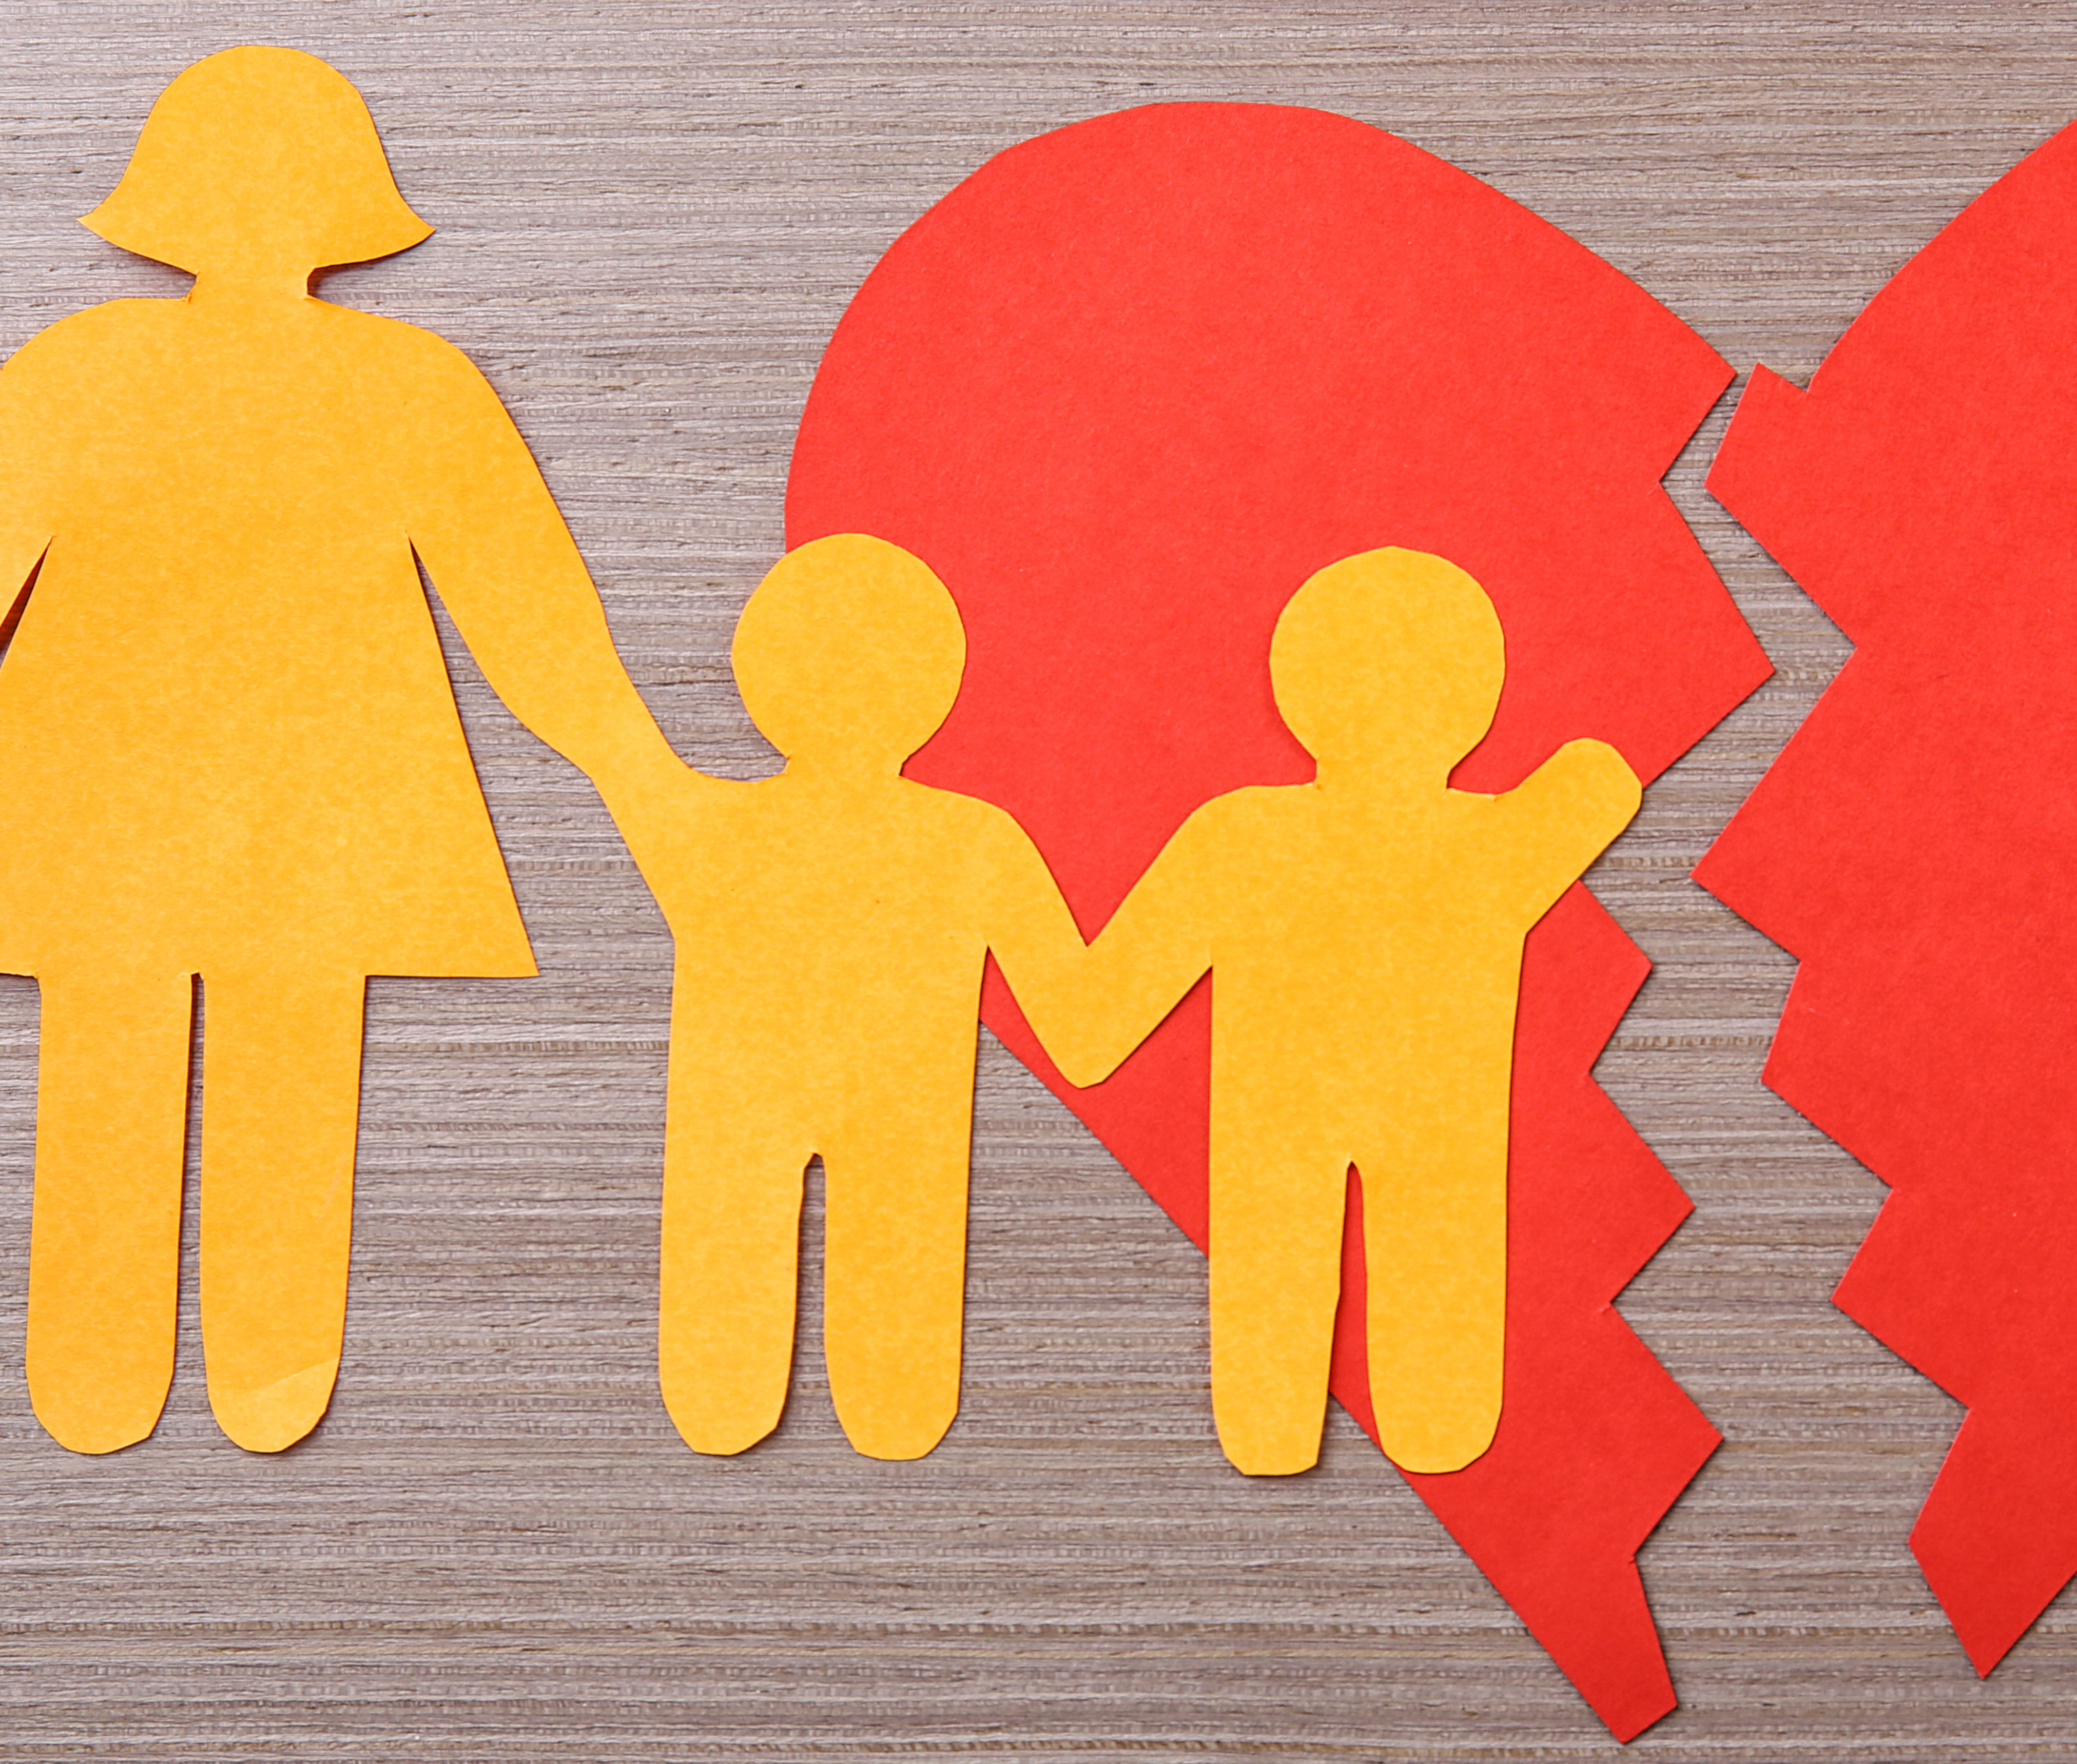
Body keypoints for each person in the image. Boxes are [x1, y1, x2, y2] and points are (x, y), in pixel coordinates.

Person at [0, 47, 669, 1455]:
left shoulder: (85, 366)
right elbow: (532, 621)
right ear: (350, 213)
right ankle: (261, 1368)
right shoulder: (413, 383)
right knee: (289, 1063)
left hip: (103, 810)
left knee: (113, 1051)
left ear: (161, 205)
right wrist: (634, 763)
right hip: (327, 821)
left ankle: (103, 1373)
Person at [1044, 547, 1640, 1476]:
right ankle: (1423, 1428)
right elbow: (1599, 781)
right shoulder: (1490, 847)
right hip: (1438, 1126)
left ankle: (1272, 1430)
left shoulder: (1240, 835)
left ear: (1299, 691)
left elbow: (1094, 1022)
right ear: (1472, 706)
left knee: (1273, 1293)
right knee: (1436, 1316)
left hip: (1276, 1125)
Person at [594, 535, 1099, 1461]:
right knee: (895, 1384)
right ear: (934, 687)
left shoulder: (716, 832)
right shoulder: (973, 842)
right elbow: (1086, 1027)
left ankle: (735, 1398)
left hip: (740, 1124)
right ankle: (870, 1406)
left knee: (725, 1367)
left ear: (761, 680)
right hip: (905, 1123)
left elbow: (609, 738)